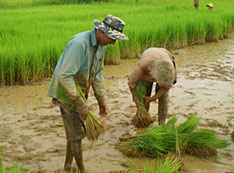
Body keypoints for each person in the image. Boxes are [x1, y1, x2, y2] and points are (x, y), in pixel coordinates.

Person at [47, 14, 128, 173]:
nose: (113, 42)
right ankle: (81, 169)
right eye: (112, 37)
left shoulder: (101, 47)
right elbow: (64, 76)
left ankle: (68, 167)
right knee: (77, 134)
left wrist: (101, 100)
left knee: (74, 132)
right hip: (66, 92)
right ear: (101, 31)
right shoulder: (80, 44)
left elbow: (97, 74)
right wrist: (80, 103)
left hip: (80, 91)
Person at [128, 47, 177, 125]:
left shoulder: (170, 70)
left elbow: (167, 87)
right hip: (149, 58)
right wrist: (136, 99)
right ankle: (144, 119)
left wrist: (153, 98)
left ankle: (162, 123)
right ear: (152, 76)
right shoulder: (143, 67)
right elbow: (131, 82)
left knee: (163, 99)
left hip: (165, 55)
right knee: (143, 97)